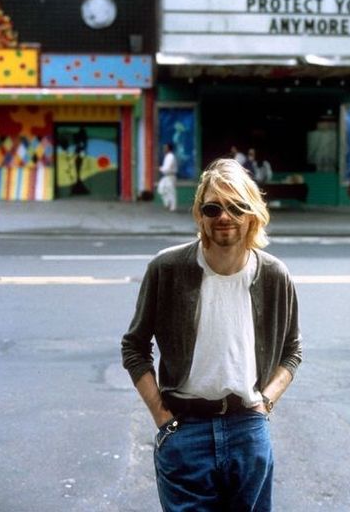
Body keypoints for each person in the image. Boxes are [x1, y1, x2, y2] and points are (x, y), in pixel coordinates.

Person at [121, 158, 302, 511]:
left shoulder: (274, 276)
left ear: (252, 213)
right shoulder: (167, 269)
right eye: (212, 207)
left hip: (248, 427)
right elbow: (135, 346)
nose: (224, 216)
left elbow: (292, 350)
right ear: (200, 214)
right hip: (185, 430)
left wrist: (265, 403)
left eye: (236, 206)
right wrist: (161, 416)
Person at [157, 143, 178, 212]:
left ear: (168, 148)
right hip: (166, 176)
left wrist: (160, 169)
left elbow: (167, 168)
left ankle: (173, 207)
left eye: (165, 147)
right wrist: (161, 169)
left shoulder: (171, 156)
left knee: (171, 191)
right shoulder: (167, 156)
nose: (164, 149)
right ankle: (167, 203)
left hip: (170, 176)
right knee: (161, 189)